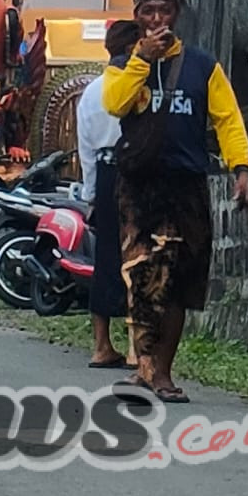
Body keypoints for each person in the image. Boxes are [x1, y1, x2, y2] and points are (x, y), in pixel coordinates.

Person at [101, 0, 248, 404]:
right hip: (139, 184)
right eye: (148, 11)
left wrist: (240, 167)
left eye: (164, 11)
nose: (156, 20)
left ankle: (160, 370)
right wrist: (140, 61)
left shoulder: (203, 67)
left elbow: (227, 120)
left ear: (177, 15)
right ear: (137, 16)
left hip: (185, 183)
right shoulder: (122, 63)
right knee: (143, 274)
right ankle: (146, 369)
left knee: (178, 281)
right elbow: (114, 104)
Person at [77, 21, 141, 371]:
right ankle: (134, 346)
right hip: (134, 172)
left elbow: (85, 150)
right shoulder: (139, 87)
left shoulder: (91, 92)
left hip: (103, 175)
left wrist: (90, 194)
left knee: (105, 260)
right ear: (133, 48)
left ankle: (101, 345)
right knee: (137, 254)